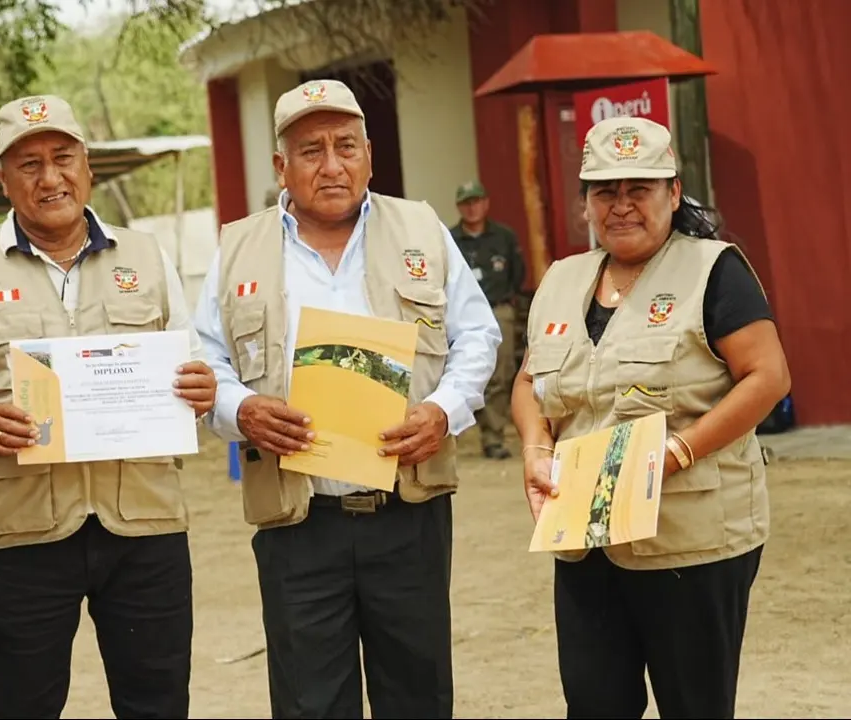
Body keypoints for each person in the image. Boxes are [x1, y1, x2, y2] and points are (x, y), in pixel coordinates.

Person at [193, 79, 501, 719]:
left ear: (369, 155)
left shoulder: (421, 229)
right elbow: (205, 361)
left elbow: (478, 335)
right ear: (281, 165)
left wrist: (443, 411)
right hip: (297, 520)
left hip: (408, 513)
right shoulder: (238, 248)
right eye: (311, 151)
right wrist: (240, 410)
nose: (331, 165)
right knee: (310, 703)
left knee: (417, 698)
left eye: (346, 146)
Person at [0, 94, 217, 720]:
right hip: (21, 529)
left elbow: (191, 371)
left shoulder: (148, 257)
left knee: (158, 704)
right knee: (21, 706)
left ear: (88, 165)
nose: (50, 178)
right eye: (28, 165)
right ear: (1, 179)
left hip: (145, 526)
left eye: (63, 158)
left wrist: (200, 390)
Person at [511, 117, 790, 719]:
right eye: (605, 191)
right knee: (594, 703)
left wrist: (676, 452)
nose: (621, 205)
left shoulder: (714, 271)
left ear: (674, 191)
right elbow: (531, 381)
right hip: (585, 538)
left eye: (639, 188)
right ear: (585, 201)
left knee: (694, 705)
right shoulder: (562, 279)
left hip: (691, 541)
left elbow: (768, 377)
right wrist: (535, 448)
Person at [450, 180, 525, 459]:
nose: (472, 208)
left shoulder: (504, 237)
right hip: (458, 313)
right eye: (466, 203)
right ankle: (450, 438)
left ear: (486, 203)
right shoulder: (450, 238)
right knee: (456, 371)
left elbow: (518, 273)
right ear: (459, 207)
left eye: (476, 201)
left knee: (500, 373)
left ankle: (493, 437)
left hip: (498, 309)